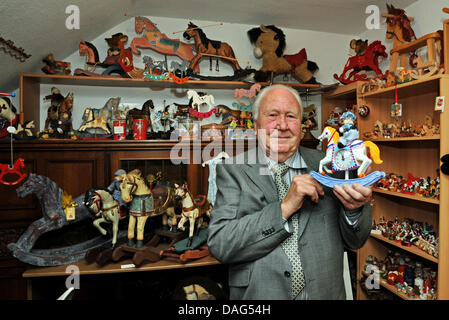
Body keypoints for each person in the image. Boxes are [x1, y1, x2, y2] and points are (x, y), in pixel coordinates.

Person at [207, 84, 372, 300]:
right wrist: (284, 208)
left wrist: (354, 211)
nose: (282, 125)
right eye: (272, 115)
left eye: (291, 116)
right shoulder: (233, 170)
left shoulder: (330, 164)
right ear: (256, 125)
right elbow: (220, 244)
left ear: (302, 126)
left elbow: (355, 241)